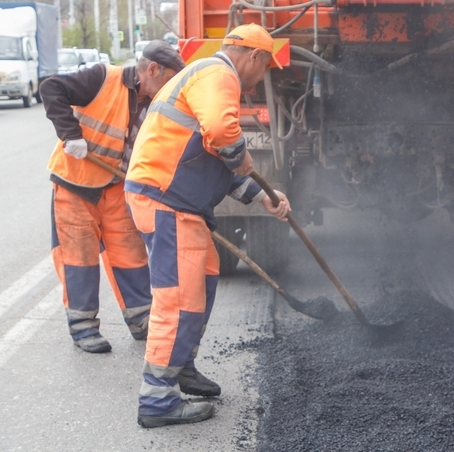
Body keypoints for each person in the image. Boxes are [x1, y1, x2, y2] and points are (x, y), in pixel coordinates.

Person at [124, 24, 291, 428]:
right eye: (264, 67)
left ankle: (182, 365)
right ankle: (157, 401)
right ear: (253, 57)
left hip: (179, 202)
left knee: (204, 279)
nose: (260, 77)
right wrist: (242, 156)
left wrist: (260, 194)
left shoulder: (205, 76)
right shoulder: (219, 75)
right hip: (166, 199)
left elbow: (212, 153)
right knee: (179, 298)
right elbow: (222, 136)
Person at [41, 41, 185, 353]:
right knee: (79, 258)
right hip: (75, 184)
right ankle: (83, 328)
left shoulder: (157, 103)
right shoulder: (103, 78)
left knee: (131, 255)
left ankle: (141, 320)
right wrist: (70, 134)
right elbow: (51, 88)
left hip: (118, 188)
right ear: (151, 70)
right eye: (169, 79)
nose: (171, 87)